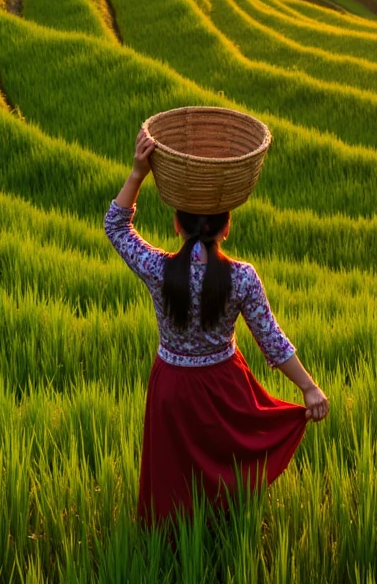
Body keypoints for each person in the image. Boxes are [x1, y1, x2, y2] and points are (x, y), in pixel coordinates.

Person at [106, 131, 329, 524]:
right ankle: (222, 532)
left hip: (172, 386)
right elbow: (271, 341)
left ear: (177, 224)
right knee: (226, 467)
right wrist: (308, 388)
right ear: (226, 229)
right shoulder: (242, 277)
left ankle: (172, 544)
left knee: (173, 474)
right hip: (225, 385)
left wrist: (139, 172)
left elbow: (117, 228)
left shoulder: (159, 269)